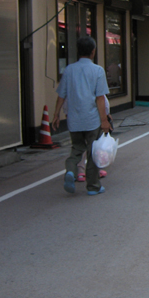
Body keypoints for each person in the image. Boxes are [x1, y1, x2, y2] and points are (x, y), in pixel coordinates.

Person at [51, 36, 110, 196]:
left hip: (74, 120)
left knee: (76, 149)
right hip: (92, 120)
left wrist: (56, 114)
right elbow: (100, 98)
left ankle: (71, 170)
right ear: (93, 52)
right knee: (92, 153)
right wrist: (104, 120)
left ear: (78, 51)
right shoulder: (98, 70)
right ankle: (93, 187)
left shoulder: (69, 70)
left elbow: (61, 95)